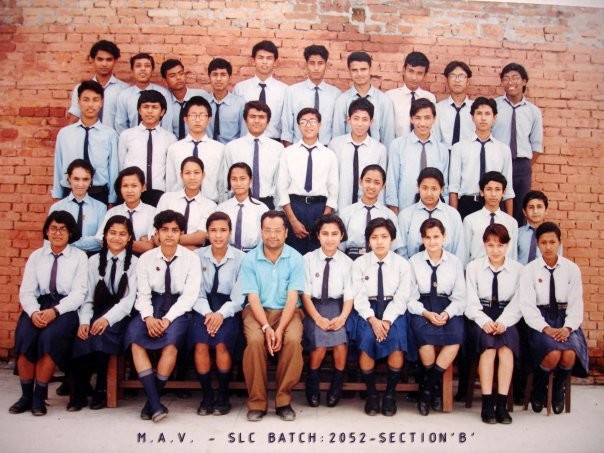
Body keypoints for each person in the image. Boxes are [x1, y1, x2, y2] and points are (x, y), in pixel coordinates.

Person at [123, 209, 201, 422]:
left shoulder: (191, 259)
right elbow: (143, 294)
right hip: (151, 306)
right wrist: (148, 318)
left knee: (171, 344)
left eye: (175, 230)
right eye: (164, 230)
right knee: (135, 340)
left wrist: (167, 319)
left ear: (181, 233)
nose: (169, 234)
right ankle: (156, 404)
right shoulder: (146, 259)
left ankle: (152, 402)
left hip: (178, 309)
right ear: (156, 233)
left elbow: (189, 296)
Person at [9, 211, 88, 416]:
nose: (57, 233)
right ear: (46, 231)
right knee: (25, 335)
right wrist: (34, 312)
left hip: (66, 307)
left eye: (63, 229)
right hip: (39, 304)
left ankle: (39, 397)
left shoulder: (79, 257)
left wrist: (55, 311)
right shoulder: (37, 256)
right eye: (53, 228)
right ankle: (26, 396)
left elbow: (79, 293)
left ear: (71, 233)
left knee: (50, 338)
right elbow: (26, 291)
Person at [239, 210, 305, 422]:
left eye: (277, 231)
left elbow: (293, 297)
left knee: (292, 340)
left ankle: (283, 400)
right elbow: (252, 297)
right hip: (257, 311)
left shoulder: (296, 258)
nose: (272, 235)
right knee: (255, 341)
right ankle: (257, 402)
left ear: (286, 232)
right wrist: (267, 328)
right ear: (261, 232)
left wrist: (279, 329)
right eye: (267, 230)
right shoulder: (250, 259)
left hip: (288, 311)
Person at [517, 222, 588, 414]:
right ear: (537, 244)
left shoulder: (572, 269)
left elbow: (576, 304)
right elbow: (527, 306)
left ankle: (557, 390)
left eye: (552, 242)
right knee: (553, 354)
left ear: (559, 243)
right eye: (543, 243)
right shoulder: (529, 270)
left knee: (569, 353)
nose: (548, 247)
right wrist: (545, 328)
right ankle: (539, 389)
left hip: (565, 319)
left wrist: (568, 327)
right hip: (540, 320)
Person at [70, 215, 138, 411]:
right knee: (82, 337)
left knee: (102, 335)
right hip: (96, 311)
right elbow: (87, 297)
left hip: (120, 316)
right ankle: (80, 392)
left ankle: (102, 388)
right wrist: (85, 321)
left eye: (122, 234)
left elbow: (128, 301)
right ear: (105, 235)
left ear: (129, 237)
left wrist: (107, 320)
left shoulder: (135, 263)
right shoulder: (93, 262)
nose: (117, 238)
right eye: (112, 233)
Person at [464, 223, 523, 424]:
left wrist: (504, 322)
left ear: (507, 245)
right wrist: (484, 321)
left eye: (500, 245)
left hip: (507, 316)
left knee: (506, 350)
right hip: (481, 315)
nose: (495, 250)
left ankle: (502, 404)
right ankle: (488, 404)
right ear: (484, 245)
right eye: (490, 245)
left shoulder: (518, 270)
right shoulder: (473, 267)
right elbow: (470, 302)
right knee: (488, 349)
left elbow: (518, 302)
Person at [351, 217, 410, 416]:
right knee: (367, 339)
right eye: (374, 237)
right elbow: (358, 296)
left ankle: (390, 395)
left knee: (396, 340)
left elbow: (402, 297)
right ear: (368, 241)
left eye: (384, 237)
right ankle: (372, 394)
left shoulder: (402, 264)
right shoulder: (359, 263)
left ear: (392, 239)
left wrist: (386, 320)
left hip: (393, 310)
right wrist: (372, 319)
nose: (379, 241)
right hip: (367, 310)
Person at [189, 212, 245, 416]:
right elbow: (195, 291)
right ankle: (206, 395)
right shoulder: (197, 256)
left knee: (222, 343)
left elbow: (239, 297)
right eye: (213, 230)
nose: (218, 235)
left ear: (230, 232)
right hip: (202, 306)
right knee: (201, 343)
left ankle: (222, 394)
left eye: (223, 230)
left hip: (228, 308)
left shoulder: (241, 258)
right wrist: (208, 314)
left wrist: (221, 314)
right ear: (207, 233)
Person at [408, 218, 466, 416]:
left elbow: (460, 297)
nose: (432, 241)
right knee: (424, 340)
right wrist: (425, 313)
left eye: (436, 236)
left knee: (455, 338)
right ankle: (434, 389)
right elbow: (410, 297)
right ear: (422, 239)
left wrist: (447, 313)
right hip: (422, 307)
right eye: (427, 237)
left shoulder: (454, 262)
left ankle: (427, 389)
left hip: (447, 306)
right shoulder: (414, 262)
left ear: (444, 237)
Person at [302, 214, 354, 408]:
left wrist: (342, 317)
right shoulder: (307, 259)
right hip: (313, 307)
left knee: (340, 341)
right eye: (325, 234)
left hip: (339, 306)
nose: (330, 238)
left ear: (341, 236)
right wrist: (317, 318)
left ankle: (337, 383)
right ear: (318, 235)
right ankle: (313, 381)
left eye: (334, 234)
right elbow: (305, 294)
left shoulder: (348, 263)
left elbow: (349, 295)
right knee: (320, 341)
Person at [278, 108, 339, 255]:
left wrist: (324, 220)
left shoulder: (329, 155)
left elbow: (333, 189)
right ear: (298, 126)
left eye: (312, 121)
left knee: (318, 254)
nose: (308, 125)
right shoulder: (288, 153)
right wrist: (292, 220)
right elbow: (281, 187)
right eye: (303, 122)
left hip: (320, 209)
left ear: (319, 125)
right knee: (293, 254)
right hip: (295, 207)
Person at [492, 63, 543, 225]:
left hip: (522, 165)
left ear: (524, 81)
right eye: (506, 79)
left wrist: (524, 165)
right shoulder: (494, 106)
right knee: (496, 206)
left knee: (521, 207)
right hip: (497, 163)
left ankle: (517, 239)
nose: (510, 82)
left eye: (515, 78)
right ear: (502, 82)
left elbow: (536, 146)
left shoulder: (533, 111)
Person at [52, 80, 119, 205]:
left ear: (101, 103)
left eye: (95, 100)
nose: (90, 105)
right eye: (86, 100)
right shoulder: (65, 134)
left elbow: (113, 170)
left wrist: (112, 200)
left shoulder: (110, 135)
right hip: (70, 192)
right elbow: (59, 166)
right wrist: (57, 195)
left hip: (99, 194)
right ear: (78, 102)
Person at [449, 97, 514, 219]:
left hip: (494, 204)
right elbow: (453, 187)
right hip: (468, 203)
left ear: (494, 118)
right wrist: (454, 217)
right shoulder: (459, 148)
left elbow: (508, 189)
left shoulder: (503, 150)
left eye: (487, 114)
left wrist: (510, 220)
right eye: (479, 113)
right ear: (472, 117)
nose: (483, 118)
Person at [385, 98, 449, 214]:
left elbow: (444, 185)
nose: (422, 123)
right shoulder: (397, 145)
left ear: (434, 119)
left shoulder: (442, 150)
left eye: (427, 118)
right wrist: (394, 209)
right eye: (418, 118)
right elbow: (392, 180)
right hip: (405, 208)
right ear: (411, 119)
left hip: (434, 210)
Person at [118, 89, 177, 206]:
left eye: (154, 107)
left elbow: (170, 172)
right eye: (145, 107)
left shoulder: (170, 138)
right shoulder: (127, 135)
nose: (150, 111)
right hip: (133, 192)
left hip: (159, 194)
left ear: (162, 112)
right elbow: (121, 166)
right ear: (139, 110)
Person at [329, 98, 388, 212]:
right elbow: (331, 180)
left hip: (368, 210)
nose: (360, 124)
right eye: (356, 118)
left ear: (371, 122)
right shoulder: (335, 145)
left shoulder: (379, 149)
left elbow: (380, 185)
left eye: (365, 119)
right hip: (340, 208)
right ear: (349, 120)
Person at [223, 101, 283, 209]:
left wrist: (278, 210)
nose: (257, 121)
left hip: (268, 203)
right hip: (238, 202)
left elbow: (280, 182)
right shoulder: (231, 147)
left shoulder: (278, 148)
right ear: (245, 120)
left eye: (261, 117)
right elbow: (225, 182)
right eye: (252, 116)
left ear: (268, 121)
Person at [165, 96, 225, 203]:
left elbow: (222, 184)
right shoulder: (174, 149)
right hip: (179, 204)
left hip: (210, 204)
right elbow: (170, 182)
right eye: (193, 115)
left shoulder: (219, 149)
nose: (197, 120)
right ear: (185, 119)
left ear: (209, 119)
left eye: (202, 115)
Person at [398, 167, 466, 261]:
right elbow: (401, 252)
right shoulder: (405, 215)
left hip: (447, 267)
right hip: (413, 268)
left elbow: (460, 250)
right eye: (424, 188)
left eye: (434, 188)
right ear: (418, 187)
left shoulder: (453, 215)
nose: (429, 193)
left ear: (442, 189)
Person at [281, 44, 341, 146]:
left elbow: (337, 129)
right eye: (312, 63)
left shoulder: (335, 94)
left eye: (320, 63)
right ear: (306, 65)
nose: (316, 68)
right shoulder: (292, 91)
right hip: (299, 148)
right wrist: (290, 151)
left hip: (326, 148)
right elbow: (287, 127)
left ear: (326, 65)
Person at [332, 51, 395, 147]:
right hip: (349, 152)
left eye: (363, 69)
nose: (359, 74)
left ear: (370, 69)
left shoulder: (384, 101)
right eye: (354, 70)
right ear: (349, 71)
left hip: (376, 152)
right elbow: (338, 134)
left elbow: (388, 136)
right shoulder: (342, 101)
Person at [339, 164, 401, 259]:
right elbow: (339, 246)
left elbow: (394, 247)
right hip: (352, 259)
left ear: (383, 185)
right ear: (360, 181)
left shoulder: (389, 215)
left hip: (380, 259)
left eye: (377, 182)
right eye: (368, 181)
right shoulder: (346, 213)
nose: (371, 186)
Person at [156, 156, 217, 250]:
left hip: (195, 255)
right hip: (168, 254)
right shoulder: (167, 199)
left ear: (203, 175)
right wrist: (189, 244)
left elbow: (200, 237)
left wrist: (168, 240)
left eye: (196, 173)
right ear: (181, 175)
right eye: (187, 173)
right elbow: (156, 236)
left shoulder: (210, 206)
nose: (192, 177)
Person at [234, 40, 287, 141]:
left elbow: (286, 122)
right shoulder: (240, 88)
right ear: (253, 60)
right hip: (246, 141)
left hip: (274, 141)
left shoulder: (284, 90)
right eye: (260, 57)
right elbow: (236, 119)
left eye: (269, 58)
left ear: (275, 62)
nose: (264, 62)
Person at [49, 159, 106, 254]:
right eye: (76, 179)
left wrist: (67, 241)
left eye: (85, 179)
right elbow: (50, 240)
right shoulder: (57, 208)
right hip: (63, 257)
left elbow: (100, 241)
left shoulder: (100, 208)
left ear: (91, 180)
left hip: (91, 257)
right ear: (69, 179)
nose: (80, 184)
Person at [68, 40, 128, 129]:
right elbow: (74, 119)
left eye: (109, 60)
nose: (104, 64)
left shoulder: (124, 90)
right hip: (87, 136)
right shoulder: (81, 88)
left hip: (115, 137)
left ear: (115, 61)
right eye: (100, 59)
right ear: (93, 60)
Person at [97, 167, 156, 255]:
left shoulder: (152, 212)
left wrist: (116, 242)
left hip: (143, 259)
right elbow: (103, 241)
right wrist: (139, 244)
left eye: (134, 186)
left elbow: (149, 246)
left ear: (143, 187)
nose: (129, 190)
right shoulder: (112, 212)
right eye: (125, 186)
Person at [463, 171, 518, 266]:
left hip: (503, 270)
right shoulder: (470, 220)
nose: (493, 194)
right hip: (476, 269)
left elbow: (512, 255)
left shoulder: (511, 222)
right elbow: (465, 253)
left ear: (503, 192)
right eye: (489, 189)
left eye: (497, 189)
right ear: (481, 192)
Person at [216, 162, 269, 251]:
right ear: (229, 181)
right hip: (227, 252)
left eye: (242, 179)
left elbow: (266, 237)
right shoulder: (221, 209)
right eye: (234, 179)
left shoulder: (261, 209)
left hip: (253, 253)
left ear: (250, 180)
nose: (238, 183)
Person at [114, 53, 170, 134]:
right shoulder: (124, 95)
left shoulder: (163, 93)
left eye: (147, 66)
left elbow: (167, 124)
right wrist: (129, 139)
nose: (143, 69)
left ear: (152, 70)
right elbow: (121, 124)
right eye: (138, 66)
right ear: (132, 70)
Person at [386, 51, 436, 138]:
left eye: (419, 73)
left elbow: (432, 129)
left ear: (425, 75)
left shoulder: (430, 98)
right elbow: (388, 129)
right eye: (411, 71)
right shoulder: (391, 97)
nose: (414, 77)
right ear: (403, 70)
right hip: (399, 145)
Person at [160, 58, 209, 140]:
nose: (178, 78)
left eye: (181, 73)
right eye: (172, 76)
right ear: (165, 81)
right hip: (172, 145)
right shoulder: (164, 101)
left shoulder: (201, 96)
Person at [433, 61, 475, 148]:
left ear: (468, 81)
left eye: (461, 76)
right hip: (445, 154)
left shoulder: (476, 109)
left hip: (469, 154)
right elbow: (435, 138)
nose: (457, 80)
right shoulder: (438, 108)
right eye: (452, 76)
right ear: (447, 81)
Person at [206, 58, 247, 144]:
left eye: (223, 75)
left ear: (230, 78)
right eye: (215, 74)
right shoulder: (203, 103)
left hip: (231, 149)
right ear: (209, 77)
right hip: (207, 149)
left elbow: (244, 135)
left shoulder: (240, 104)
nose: (218, 79)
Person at [518, 190, 555, 265]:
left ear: (546, 211)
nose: (535, 211)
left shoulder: (553, 235)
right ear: (524, 212)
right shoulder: (517, 233)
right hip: (521, 271)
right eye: (531, 207)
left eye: (539, 207)